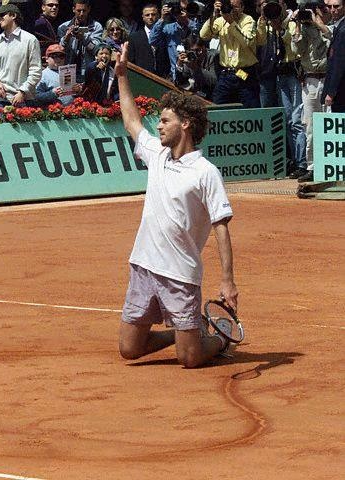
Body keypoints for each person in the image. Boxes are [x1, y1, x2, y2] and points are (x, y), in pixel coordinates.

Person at [114, 42, 238, 369]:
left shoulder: (206, 172)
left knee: (190, 360)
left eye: (165, 120)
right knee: (129, 349)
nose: (158, 126)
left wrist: (227, 281)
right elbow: (130, 121)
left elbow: (221, 226)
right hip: (143, 265)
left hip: (180, 274)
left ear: (184, 124)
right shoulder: (156, 154)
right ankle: (187, 332)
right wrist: (122, 76)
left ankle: (218, 336)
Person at [257, 0, 307, 179]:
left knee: (296, 120)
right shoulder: (268, 22)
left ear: (283, 5)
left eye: (275, 5)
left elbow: (295, 44)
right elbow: (260, 40)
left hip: (294, 73)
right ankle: (295, 161)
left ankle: (303, 163)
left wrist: (281, 27)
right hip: (281, 74)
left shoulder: (293, 21)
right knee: (287, 120)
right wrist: (263, 21)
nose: (273, 11)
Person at [291, 2, 331, 182]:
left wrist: (316, 22)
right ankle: (312, 166)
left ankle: (330, 165)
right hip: (310, 81)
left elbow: (330, 37)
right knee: (310, 127)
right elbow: (295, 51)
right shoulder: (304, 29)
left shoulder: (330, 27)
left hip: (328, 80)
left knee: (329, 125)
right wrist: (298, 25)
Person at [200, 0, 260, 107]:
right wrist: (213, 15)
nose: (231, 10)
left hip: (244, 73)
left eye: (235, 7)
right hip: (226, 74)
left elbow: (247, 41)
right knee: (217, 105)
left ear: (242, 7)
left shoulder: (248, 20)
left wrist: (231, 23)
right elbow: (204, 35)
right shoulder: (220, 20)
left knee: (250, 106)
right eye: (229, 7)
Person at [0, 3, 41, 107]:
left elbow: (36, 71)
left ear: (14, 16)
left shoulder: (30, 40)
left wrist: (22, 92)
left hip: (25, 101)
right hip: (0, 101)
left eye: (3, 14)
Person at [148, 0, 200, 80]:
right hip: (176, 76)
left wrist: (187, 21)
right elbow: (152, 40)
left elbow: (201, 35)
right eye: (180, 9)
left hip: (196, 76)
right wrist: (162, 19)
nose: (182, 12)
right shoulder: (169, 28)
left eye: (185, 9)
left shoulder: (196, 25)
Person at [57, 0, 103, 82]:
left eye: (84, 11)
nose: (81, 14)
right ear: (73, 9)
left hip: (88, 71)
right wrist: (66, 38)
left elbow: (95, 49)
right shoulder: (63, 27)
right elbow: (59, 50)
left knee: (87, 94)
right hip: (68, 69)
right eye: (79, 11)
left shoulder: (96, 27)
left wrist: (83, 38)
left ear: (89, 9)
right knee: (67, 93)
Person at [127, 4, 170, 78]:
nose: (150, 17)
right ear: (143, 17)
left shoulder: (165, 34)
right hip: (142, 79)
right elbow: (131, 62)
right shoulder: (134, 37)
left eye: (153, 14)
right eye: (147, 15)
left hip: (163, 79)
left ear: (158, 16)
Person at [174, 34, 218, 100]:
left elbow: (214, 81)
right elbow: (180, 82)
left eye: (198, 50)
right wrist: (179, 65)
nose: (196, 54)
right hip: (196, 95)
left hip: (212, 96)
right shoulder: (190, 57)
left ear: (204, 47)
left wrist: (196, 68)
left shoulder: (214, 56)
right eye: (193, 51)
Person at [321, 0, 344, 112]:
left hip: (341, 91)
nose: (333, 10)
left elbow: (339, 64)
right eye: (330, 7)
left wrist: (331, 93)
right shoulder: (338, 27)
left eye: (336, 6)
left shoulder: (343, 30)